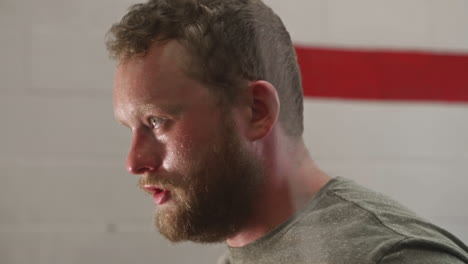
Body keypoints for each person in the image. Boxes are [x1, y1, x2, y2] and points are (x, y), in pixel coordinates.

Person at [106, 0, 468, 263]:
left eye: (156, 121)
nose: (134, 161)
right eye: (131, 128)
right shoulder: (242, 252)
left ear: (256, 111)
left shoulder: (393, 257)